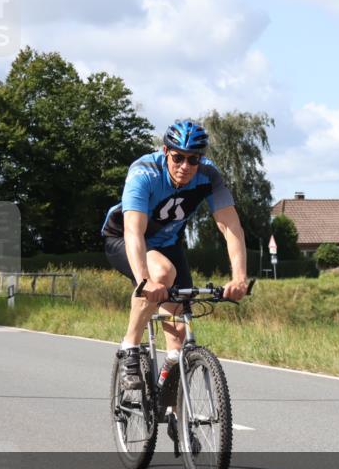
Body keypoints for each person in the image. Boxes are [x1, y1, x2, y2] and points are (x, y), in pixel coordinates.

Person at [102, 119, 249, 393]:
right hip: (124, 238)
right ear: (165, 151)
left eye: (193, 160)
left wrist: (239, 278)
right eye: (178, 157)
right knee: (161, 273)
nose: (185, 166)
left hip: (168, 244)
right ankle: (130, 349)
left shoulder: (209, 176)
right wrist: (145, 281)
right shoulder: (144, 172)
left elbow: (232, 228)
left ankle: (172, 409)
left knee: (178, 333)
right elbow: (134, 231)